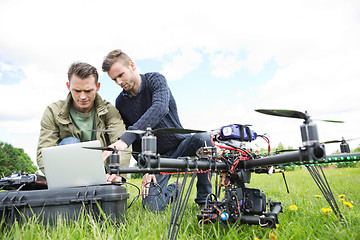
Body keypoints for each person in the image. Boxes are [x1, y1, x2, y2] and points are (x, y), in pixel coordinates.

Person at [102, 49, 212, 212]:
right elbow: (137, 146)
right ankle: (175, 188)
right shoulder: (121, 102)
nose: (119, 82)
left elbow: (160, 108)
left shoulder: (155, 80)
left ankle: (205, 200)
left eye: (121, 75)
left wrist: (125, 139)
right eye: (114, 79)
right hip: (157, 159)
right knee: (152, 208)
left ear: (131, 66)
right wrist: (147, 167)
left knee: (204, 138)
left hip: (181, 145)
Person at [36, 62, 131, 182]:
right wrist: (57, 176)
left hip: (103, 172)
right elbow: (44, 152)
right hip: (68, 173)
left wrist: (117, 173)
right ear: (68, 86)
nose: (82, 97)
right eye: (77, 90)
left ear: (97, 87)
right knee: (70, 142)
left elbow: (121, 141)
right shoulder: (53, 111)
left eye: (88, 91)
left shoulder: (109, 110)